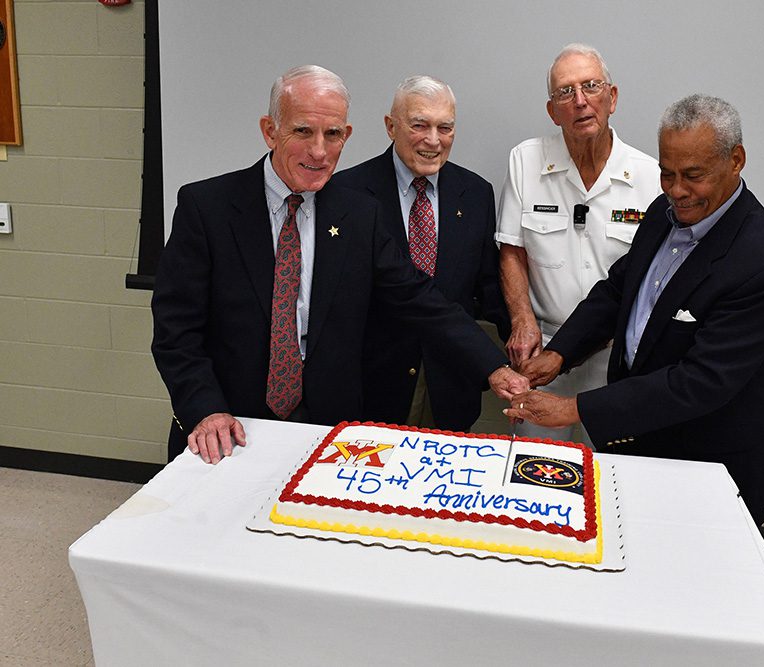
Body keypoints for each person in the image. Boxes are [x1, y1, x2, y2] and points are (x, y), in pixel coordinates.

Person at [151, 65, 527, 464]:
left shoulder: (360, 215)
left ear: (346, 136)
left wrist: (494, 367)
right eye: (302, 131)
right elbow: (177, 329)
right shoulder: (207, 208)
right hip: (228, 426)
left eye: (332, 135)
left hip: (330, 432)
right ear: (270, 130)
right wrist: (206, 407)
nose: (319, 151)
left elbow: (419, 298)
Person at [505, 94, 764, 525]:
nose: (676, 190)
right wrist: (560, 352)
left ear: (736, 160)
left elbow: (699, 383)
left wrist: (574, 410)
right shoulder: (664, 215)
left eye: (693, 175)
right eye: (667, 173)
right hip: (636, 451)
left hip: (710, 468)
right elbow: (618, 291)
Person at [495, 43, 660, 446]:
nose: (581, 101)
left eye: (591, 86)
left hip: (616, 357)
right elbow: (512, 250)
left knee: (604, 476)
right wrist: (521, 320)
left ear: (612, 98)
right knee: (534, 476)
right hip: (543, 352)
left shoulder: (650, 176)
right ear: (553, 110)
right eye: (566, 92)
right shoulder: (526, 160)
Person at [331, 76, 509, 431]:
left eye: (445, 127)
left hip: (450, 384)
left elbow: (488, 285)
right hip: (371, 385)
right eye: (419, 125)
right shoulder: (346, 193)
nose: (433, 140)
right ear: (390, 127)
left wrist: (519, 343)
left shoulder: (475, 193)